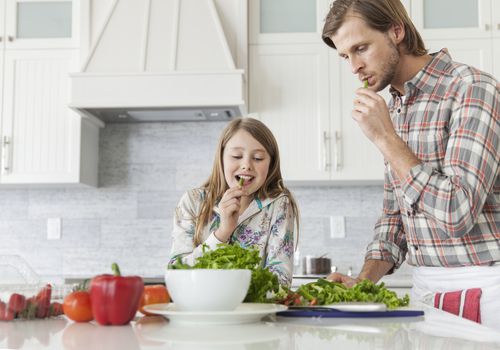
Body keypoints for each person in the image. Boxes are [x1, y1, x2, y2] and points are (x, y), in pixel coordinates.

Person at [322, 0, 499, 328]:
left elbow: (457, 211)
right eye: (345, 56)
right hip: (425, 287)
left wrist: (386, 139)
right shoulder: (395, 108)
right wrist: (364, 281)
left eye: (361, 48)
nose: (354, 68)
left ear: (396, 31)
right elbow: (395, 216)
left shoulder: (471, 89)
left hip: (483, 287)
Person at [169, 117, 300, 286]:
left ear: (271, 163)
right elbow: (176, 275)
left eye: (258, 158)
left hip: (254, 312)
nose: (246, 165)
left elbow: (280, 283)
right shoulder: (192, 202)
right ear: (221, 158)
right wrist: (222, 233)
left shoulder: (278, 204)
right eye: (237, 156)